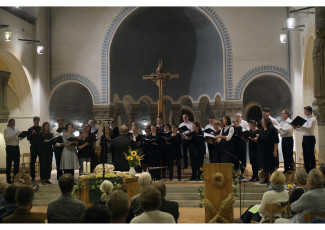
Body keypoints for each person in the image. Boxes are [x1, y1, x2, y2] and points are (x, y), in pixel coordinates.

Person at [293, 106, 317, 173]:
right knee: (305, 155)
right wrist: (296, 128)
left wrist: (300, 126)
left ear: (309, 111)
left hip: (310, 138)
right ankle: (307, 170)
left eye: (305, 111)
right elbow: (302, 129)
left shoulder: (313, 119)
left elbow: (309, 128)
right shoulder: (305, 118)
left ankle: (313, 170)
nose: (304, 112)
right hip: (305, 138)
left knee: (311, 154)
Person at [257, 117, 279, 184]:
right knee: (265, 166)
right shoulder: (262, 129)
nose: (262, 123)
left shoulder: (272, 129)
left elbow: (276, 141)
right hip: (263, 151)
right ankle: (266, 179)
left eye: (263, 122)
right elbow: (260, 139)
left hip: (270, 150)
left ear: (267, 122)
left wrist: (275, 151)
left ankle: (272, 180)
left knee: (271, 166)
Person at [4, 119, 23, 184]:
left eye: (14, 122)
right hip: (9, 148)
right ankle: (8, 179)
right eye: (12, 122)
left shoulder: (16, 129)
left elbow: (19, 138)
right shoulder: (6, 130)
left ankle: (16, 179)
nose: (13, 124)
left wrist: (22, 135)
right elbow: (7, 139)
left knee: (16, 164)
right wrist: (15, 135)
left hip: (16, 148)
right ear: (9, 123)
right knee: (9, 164)